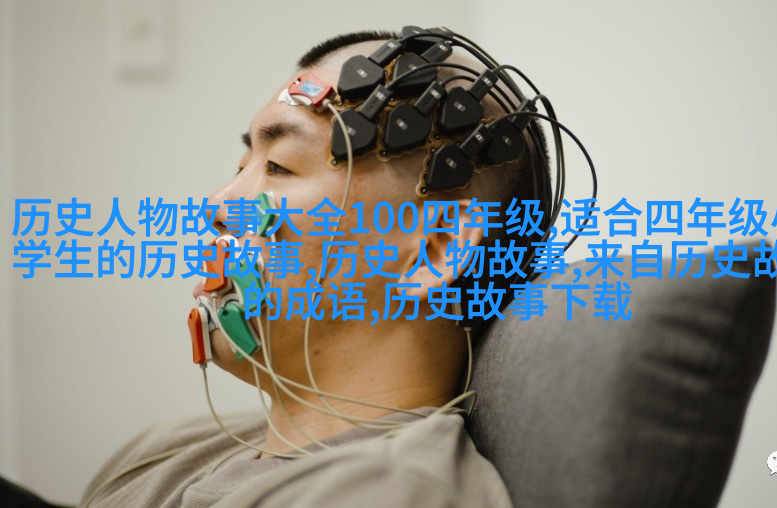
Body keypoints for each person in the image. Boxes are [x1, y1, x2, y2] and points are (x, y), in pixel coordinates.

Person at [69, 29, 550, 508]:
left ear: (436, 248)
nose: (217, 205)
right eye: (242, 168)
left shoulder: (389, 494)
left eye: (278, 167)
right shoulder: (166, 446)